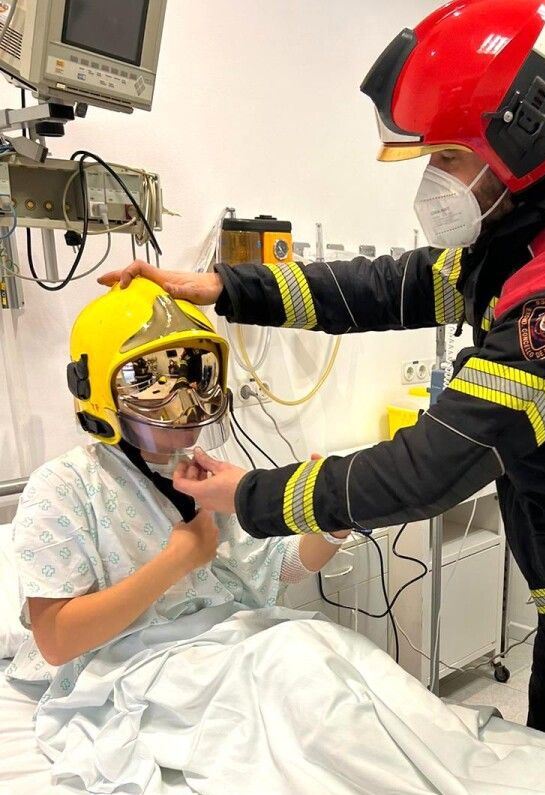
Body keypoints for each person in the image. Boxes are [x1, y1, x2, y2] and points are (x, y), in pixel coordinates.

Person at [100, 0, 545, 789]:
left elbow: (432, 468)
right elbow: (384, 287)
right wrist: (223, 285)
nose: (434, 179)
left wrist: (253, 496)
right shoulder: (520, 242)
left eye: (448, 156)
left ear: (521, 141)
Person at [8, 278, 346, 694]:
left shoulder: (203, 474)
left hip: (233, 651)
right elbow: (57, 642)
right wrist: (180, 557)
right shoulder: (64, 487)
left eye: (198, 374)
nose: (186, 403)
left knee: (347, 682)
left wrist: (332, 523)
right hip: (137, 672)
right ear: (97, 388)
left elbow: (278, 568)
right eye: (155, 381)